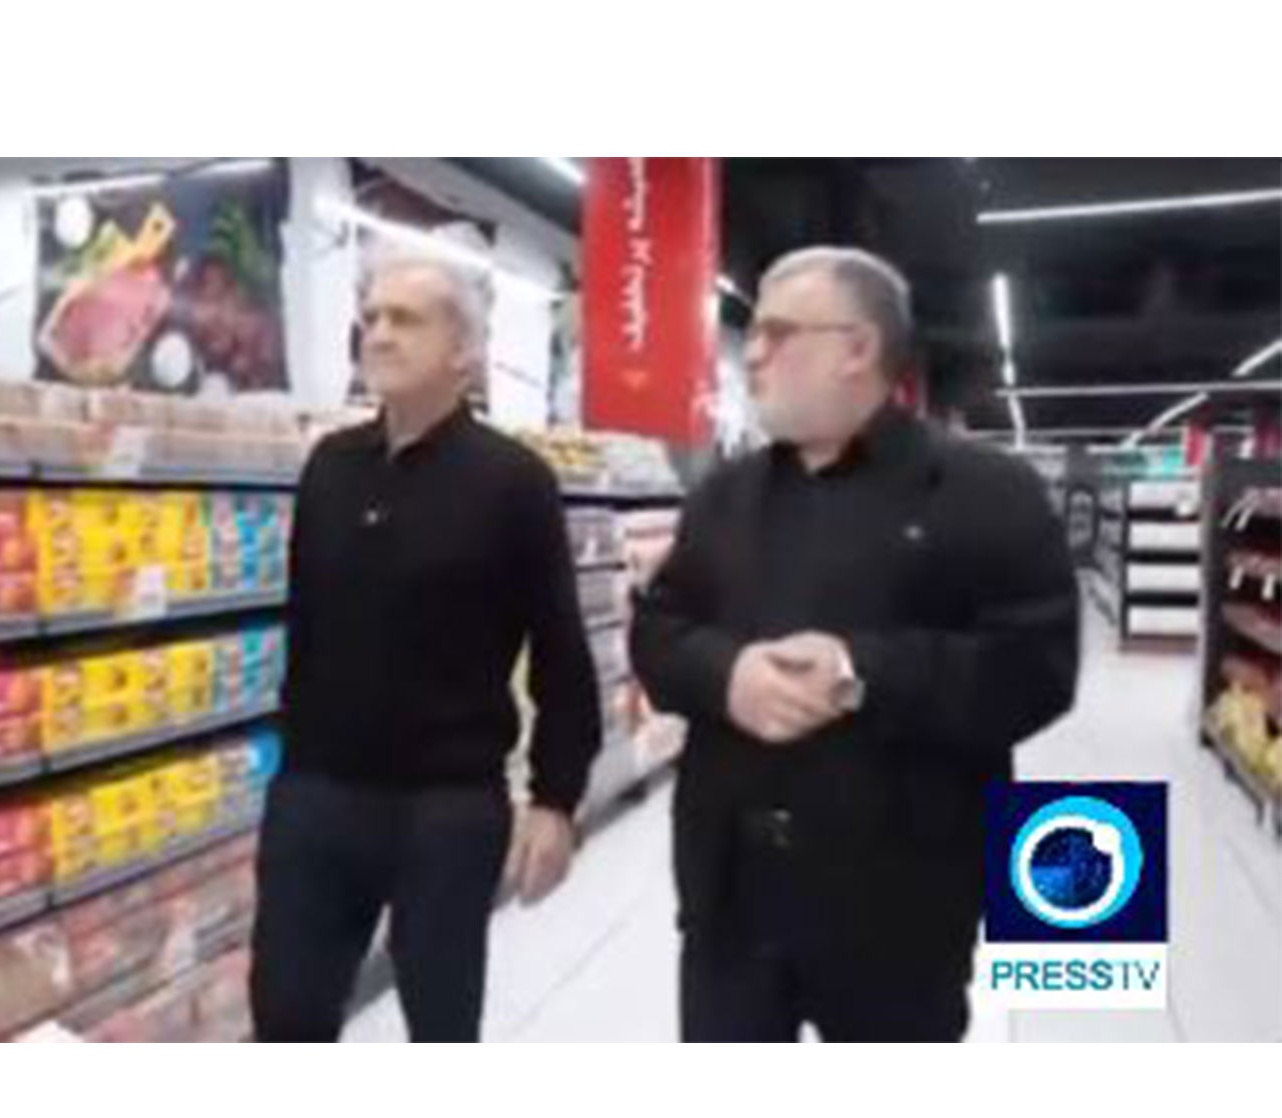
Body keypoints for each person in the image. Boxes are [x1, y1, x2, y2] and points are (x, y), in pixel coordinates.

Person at [630, 246, 1080, 1042]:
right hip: (730, 897)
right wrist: (725, 673)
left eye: (776, 331)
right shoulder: (723, 496)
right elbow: (659, 631)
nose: (753, 352)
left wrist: (860, 671)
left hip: (901, 905)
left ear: (858, 349)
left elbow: (1038, 669)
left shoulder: (987, 492)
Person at [250, 246, 603, 1042]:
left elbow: (560, 652)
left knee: (442, 1021)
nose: (379, 333)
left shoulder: (514, 482)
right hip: (317, 795)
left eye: (404, 319)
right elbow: (306, 627)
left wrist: (556, 799)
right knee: (285, 1016)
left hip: (446, 807)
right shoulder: (330, 468)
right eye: (371, 318)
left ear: (463, 350)